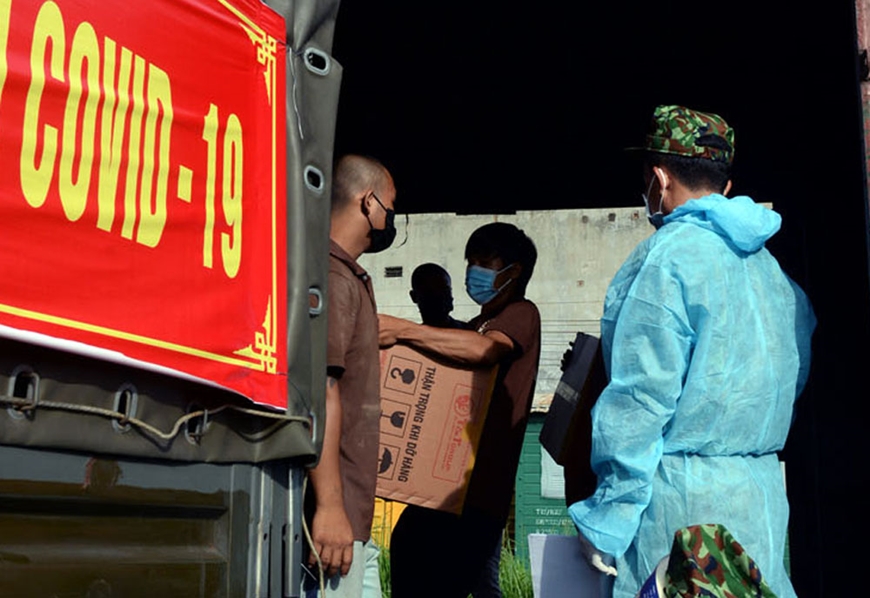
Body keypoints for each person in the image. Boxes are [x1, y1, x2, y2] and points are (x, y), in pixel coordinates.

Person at [567, 105, 815, 598]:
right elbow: (792, 376)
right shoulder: (771, 270)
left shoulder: (666, 259)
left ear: (658, 178)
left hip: (679, 510)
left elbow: (641, 401)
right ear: (726, 184)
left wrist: (608, 518)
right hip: (758, 502)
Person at [379, 222, 541, 598]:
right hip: (448, 492)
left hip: (476, 497)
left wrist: (402, 330)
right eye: (471, 262)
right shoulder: (478, 323)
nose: (473, 271)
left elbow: (485, 350)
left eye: (484, 261)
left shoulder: (521, 313)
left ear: (514, 270)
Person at [304, 154, 397, 598]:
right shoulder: (333, 276)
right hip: (333, 526)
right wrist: (330, 506)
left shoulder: (344, 274)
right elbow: (319, 392)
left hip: (353, 519)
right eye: (391, 206)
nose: (392, 218)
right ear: (368, 202)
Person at [408, 261, 503, 598]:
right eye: (431, 292)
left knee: (483, 581)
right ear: (415, 297)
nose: (441, 298)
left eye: (445, 291)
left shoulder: (473, 339)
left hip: (472, 489)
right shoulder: (406, 350)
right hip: (425, 490)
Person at [409, 263, 464, 329]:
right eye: (429, 292)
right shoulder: (467, 331)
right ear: (414, 297)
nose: (438, 298)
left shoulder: (470, 332)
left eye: (444, 291)